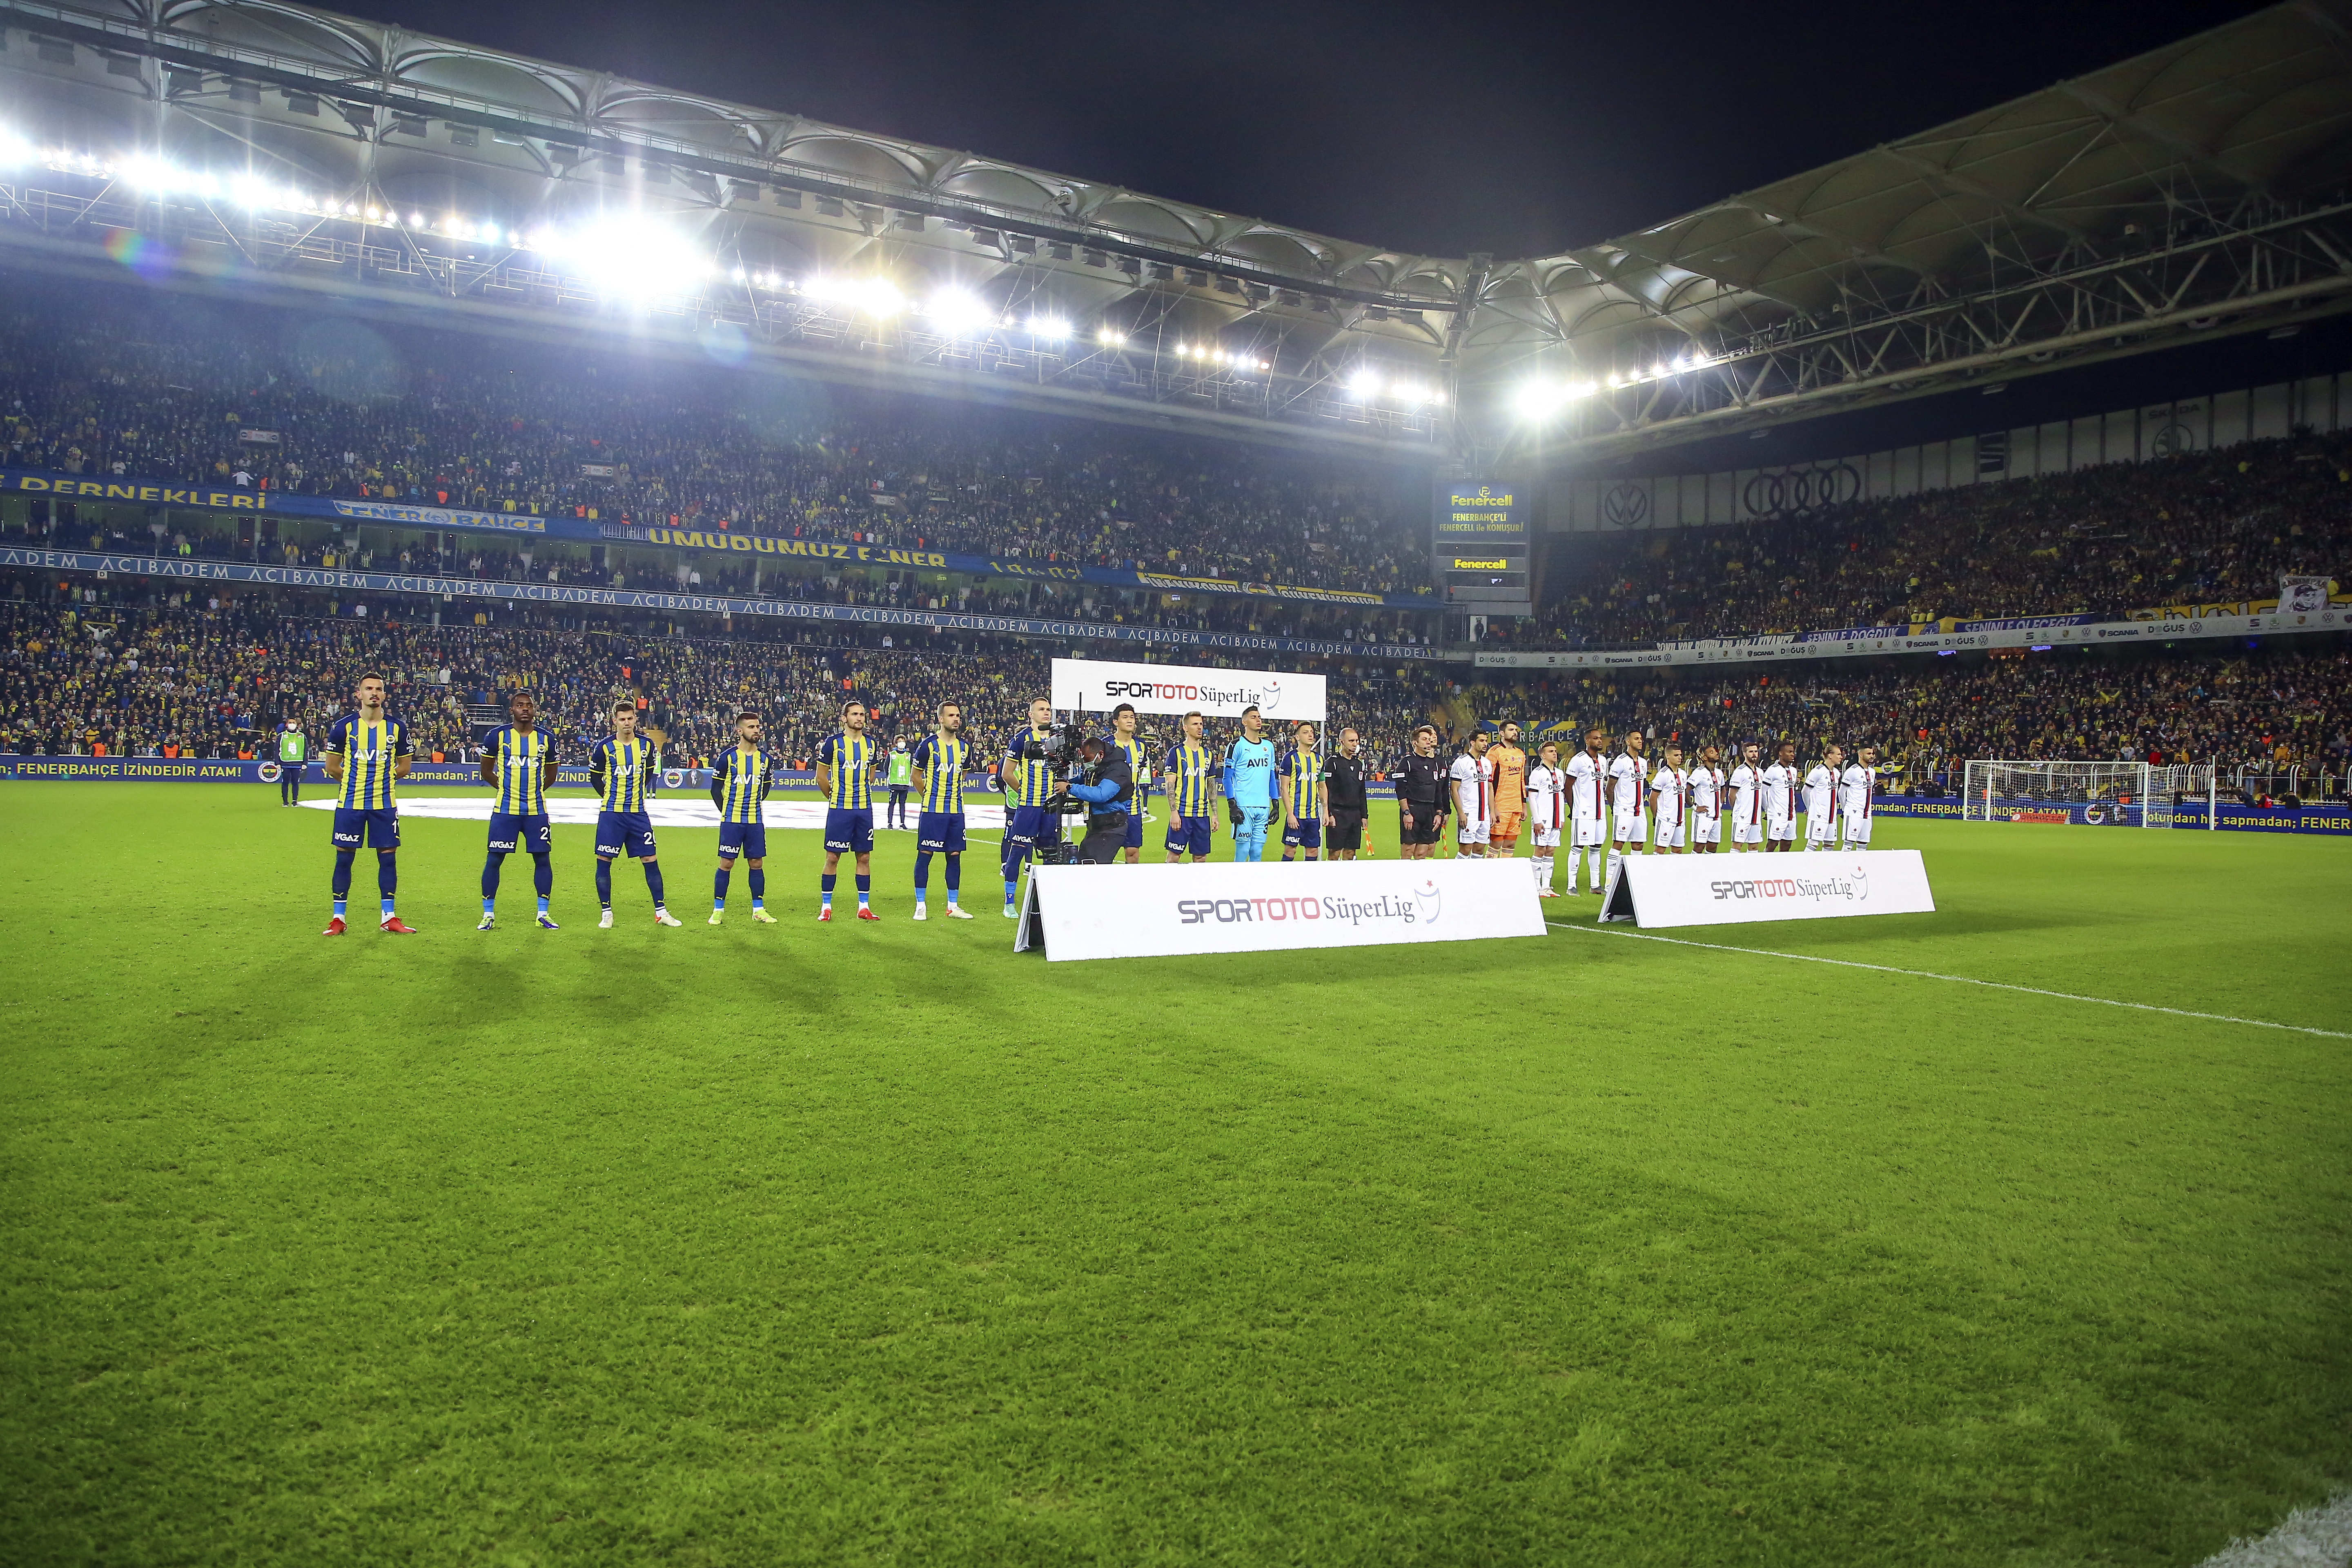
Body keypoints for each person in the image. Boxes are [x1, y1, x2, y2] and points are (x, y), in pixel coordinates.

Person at [321, 672, 413, 934]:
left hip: (384, 805)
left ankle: (390, 918)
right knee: (344, 860)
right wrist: (353, 781)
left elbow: (405, 765)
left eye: (379, 689)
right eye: (369, 689)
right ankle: (339, 919)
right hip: (350, 804)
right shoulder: (344, 727)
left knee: (388, 859)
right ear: (359, 694)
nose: (374, 693)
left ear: (384, 695)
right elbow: (332, 766)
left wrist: (384, 780)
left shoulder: (397, 728)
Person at [589, 698, 681, 929]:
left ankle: (661, 912)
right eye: (622, 719)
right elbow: (595, 778)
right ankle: (607, 913)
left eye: (630, 718)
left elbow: (649, 771)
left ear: (636, 719)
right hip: (612, 814)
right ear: (615, 721)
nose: (627, 723)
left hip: (638, 814)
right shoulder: (604, 748)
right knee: (605, 861)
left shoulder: (647, 746)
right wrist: (611, 797)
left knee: (650, 859)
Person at [479, 689, 560, 930]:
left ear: (535, 710)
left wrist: (534, 791)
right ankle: (488, 914)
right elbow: (486, 771)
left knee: (543, 859)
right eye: (520, 705)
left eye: (529, 705)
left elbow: (551, 775)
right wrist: (505, 788)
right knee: (494, 860)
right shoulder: (496, 736)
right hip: (506, 810)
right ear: (512, 710)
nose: (525, 709)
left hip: (536, 812)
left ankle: (543, 914)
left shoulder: (547, 739)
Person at [815, 699, 881, 922]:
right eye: (854, 714)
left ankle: (864, 907)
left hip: (864, 810)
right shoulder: (832, 744)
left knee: (864, 857)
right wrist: (834, 798)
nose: (860, 718)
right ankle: (826, 906)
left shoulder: (872, 745)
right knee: (833, 857)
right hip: (840, 810)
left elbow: (871, 774)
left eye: (862, 715)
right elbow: (821, 777)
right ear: (844, 718)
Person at [708, 710, 775, 924]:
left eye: (758, 727)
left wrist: (751, 806)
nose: (756, 731)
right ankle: (718, 910)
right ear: (739, 731)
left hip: (755, 821)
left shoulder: (766, 760)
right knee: (727, 863)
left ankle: (759, 909)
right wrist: (727, 812)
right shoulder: (727, 757)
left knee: (757, 863)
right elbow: (715, 790)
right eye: (751, 727)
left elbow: (765, 790)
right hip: (732, 821)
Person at [910, 701, 976, 920]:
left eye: (958, 715)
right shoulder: (928, 745)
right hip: (933, 811)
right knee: (925, 855)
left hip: (957, 812)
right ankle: (921, 905)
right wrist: (929, 797)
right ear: (941, 719)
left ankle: (953, 906)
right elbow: (916, 777)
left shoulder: (965, 748)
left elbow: (963, 775)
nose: (956, 719)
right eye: (951, 716)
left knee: (955, 855)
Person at [1001, 696, 1062, 915]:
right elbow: (1006, 773)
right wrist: (1023, 792)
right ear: (1031, 714)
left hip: (1051, 807)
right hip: (1028, 806)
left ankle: (1047, 902)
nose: (1047, 713)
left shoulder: (1058, 740)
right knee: (1018, 851)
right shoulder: (1021, 739)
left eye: (1048, 709)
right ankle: (1009, 904)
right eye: (1041, 710)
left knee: (1050, 853)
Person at [1066, 727, 1135, 865]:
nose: (1085, 763)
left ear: (1101, 755)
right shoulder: (1098, 767)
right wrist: (1069, 782)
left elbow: (1101, 795)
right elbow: (1083, 778)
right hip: (1096, 828)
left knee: (1097, 869)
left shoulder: (1118, 770)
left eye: (1088, 759)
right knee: (1084, 864)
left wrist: (1070, 788)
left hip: (1111, 829)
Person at [1222, 704, 1277, 862]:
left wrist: (1275, 804)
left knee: (1257, 851)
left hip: (1263, 806)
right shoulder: (1236, 745)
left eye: (1259, 717)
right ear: (1244, 722)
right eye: (1254, 717)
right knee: (1243, 849)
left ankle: (1254, 885)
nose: (1258, 720)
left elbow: (1271, 777)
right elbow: (1227, 778)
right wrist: (1232, 805)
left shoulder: (1269, 746)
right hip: (1244, 806)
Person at [1161, 710, 1217, 864]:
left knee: (1201, 858)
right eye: (1195, 724)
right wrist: (1174, 812)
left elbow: (1211, 786)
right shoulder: (1176, 753)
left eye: (1201, 724)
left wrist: (1215, 814)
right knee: (1174, 856)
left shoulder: (1209, 755)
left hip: (1202, 816)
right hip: (1182, 814)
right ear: (1185, 728)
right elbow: (1170, 785)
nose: (1200, 727)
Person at [1565, 728, 1611, 893]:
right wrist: (1574, 808)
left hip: (1600, 812)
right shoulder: (1578, 760)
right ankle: (1571, 886)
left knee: (1597, 848)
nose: (1600, 741)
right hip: (1583, 812)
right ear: (1587, 741)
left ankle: (1595, 885)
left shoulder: (1604, 761)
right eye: (1596, 738)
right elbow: (1568, 787)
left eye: (1601, 738)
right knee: (1578, 847)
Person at [1395, 723, 1448, 861]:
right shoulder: (1406, 763)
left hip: (1430, 811)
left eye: (1429, 739)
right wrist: (1406, 812)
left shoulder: (1435, 763)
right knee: (1408, 851)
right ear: (1415, 743)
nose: (1429, 741)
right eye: (1425, 739)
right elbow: (1400, 790)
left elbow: (1438, 791)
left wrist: (1439, 812)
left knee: (1422, 854)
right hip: (1413, 810)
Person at [1108, 703, 1153, 864]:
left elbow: (1139, 773)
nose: (1130, 721)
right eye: (1125, 717)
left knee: (1133, 852)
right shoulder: (1106, 745)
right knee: (1106, 852)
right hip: (1109, 809)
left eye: (1132, 717)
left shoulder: (1141, 746)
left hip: (1133, 808)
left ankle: (1130, 886)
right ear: (1116, 722)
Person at [1607, 728, 1650, 886]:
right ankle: (1609, 881)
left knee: (1638, 844)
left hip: (1640, 810)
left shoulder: (1644, 763)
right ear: (1628, 742)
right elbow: (1610, 788)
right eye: (1637, 739)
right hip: (1624, 809)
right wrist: (1615, 808)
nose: (1640, 741)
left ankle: (1635, 880)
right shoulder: (1620, 761)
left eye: (1641, 739)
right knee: (1618, 844)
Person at [1322, 726, 1369, 861]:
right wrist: (1330, 813)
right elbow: (1327, 790)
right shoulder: (1332, 763)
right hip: (1338, 813)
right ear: (1342, 742)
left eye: (1357, 741)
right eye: (1351, 741)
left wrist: (1364, 815)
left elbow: (1362, 791)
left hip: (1355, 815)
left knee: (1351, 853)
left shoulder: (1359, 764)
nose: (1355, 745)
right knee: (1334, 853)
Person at [1525, 739, 1566, 895]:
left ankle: (1546, 886)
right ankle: (1536, 887)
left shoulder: (1560, 774)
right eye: (1551, 751)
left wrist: (1561, 818)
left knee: (1551, 851)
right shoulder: (1538, 773)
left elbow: (1561, 797)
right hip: (1543, 819)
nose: (1555, 753)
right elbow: (1533, 798)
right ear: (1542, 755)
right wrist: (1537, 820)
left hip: (1556, 820)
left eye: (1555, 751)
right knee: (1540, 850)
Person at [1279, 721, 1323, 863]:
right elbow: (1284, 788)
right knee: (1291, 849)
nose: (1311, 735)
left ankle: (1309, 881)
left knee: (1313, 850)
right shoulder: (1290, 758)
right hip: (1297, 815)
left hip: (1313, 815)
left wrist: (1326, 810)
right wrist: (1290, 815)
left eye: (1312, 732)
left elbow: (1322, 786)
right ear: (1297, 737)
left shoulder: (1319, 760)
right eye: (1306, 732)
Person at [1487, 720, 1528, 862]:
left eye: (1516, 730)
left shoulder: (1521, 754)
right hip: (1500, 806)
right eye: (1511, 730)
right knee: (1496, 843)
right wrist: (1493, 808)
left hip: (1515, 806)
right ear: (1502, 733)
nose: (1515, 733)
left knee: (1510, 844)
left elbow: (1522, 780)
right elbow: (1489, 782)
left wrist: (1523, 805)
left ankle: (1505, 876)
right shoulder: (1494, 752)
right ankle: (1490, 873)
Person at [1449, 728, 1493, 858]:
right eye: (1482, 741)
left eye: (1486, 741)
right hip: (1469, 814)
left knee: (1479, 850)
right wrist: (1461, 813)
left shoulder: (1487, 763)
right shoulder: (1461, 762)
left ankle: (1475, 878)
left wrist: (1493, 811)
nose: (1485, 744)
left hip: (1484, 815)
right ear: (1473, 743)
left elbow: (1490, 788)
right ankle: (1458, 877)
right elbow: (1454, 790)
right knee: (1465, 850)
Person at [1762, 739, 1802, 853]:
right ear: (1781, 753)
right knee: (1772, 844)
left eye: (1793, 752)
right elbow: (1763, 791)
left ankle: (1781, 868)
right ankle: (1764, 866)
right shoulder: (1773, 770)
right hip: (1777, 814)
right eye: (1789, 752)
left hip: (1791, 814)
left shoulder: (1794, 771)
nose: (1792, 754)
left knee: (1788, 844)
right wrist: (1768, 810)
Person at [1804, 743, 1844, 851]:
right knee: (1813, 844)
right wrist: (1810, 808)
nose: (1841, 757)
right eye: (1839, 754)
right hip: (1819, 815)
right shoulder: (1818, 771)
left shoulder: (1836, 773)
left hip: (1832, 816)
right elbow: (1805, 791)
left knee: (1830, 844)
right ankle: (1803, 866)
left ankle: (1824, 867)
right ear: (1830, 755)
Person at [1652, 742, 1690, 855]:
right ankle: (1656, 872)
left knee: (1678, 850)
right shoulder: (1663, 774)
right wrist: (1656, 816)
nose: (1680, 758)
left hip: (1680, 820)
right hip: (1665, 819)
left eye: (1681, 755)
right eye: (1676, 755)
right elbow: (1653, 798)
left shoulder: (1683, 774)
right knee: (1660, 850)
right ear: (1668, 756)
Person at [1728, 742, 1766, 853]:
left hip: (1756, 817)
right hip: (1742, 816)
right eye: (1751, 752)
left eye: (1756, 751)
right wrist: (1737, 810)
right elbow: (1732, 795)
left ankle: (1751, 869)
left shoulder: (1760, 772)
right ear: (1745, 754)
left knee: (1754, 846)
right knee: (1737, 845)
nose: (1754, 754)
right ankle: (1732, 868)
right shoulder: (1740, 772)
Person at [1841, 744, 1879, 849]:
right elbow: (1842, 792)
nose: (1872, 756)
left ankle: (1859, 866)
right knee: (1848, 845)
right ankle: (1843, 866)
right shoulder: (1852, 771)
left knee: (1863, 845)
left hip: (1867, 813)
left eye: (1872, 754)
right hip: (1854, 811)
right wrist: (1846, 809)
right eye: (1869, 754)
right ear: (1861, 755)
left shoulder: (1872, 772)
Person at [1689, 744, 1726, 855]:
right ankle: (1691, 869)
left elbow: (1723, 789)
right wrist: (1694, 807)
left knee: (1713, 847)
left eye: (1715, 752)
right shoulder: (1699, 773)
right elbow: (1687, 790)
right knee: (1699, 847)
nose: (1716, 753)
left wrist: (1720, 803)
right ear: (1704, 757)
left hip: (1717, 817)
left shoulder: (1719, 772)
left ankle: (1707, 870)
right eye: (1712, 752)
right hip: (1703, 817)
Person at [884, 737, 915, 830]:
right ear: (896, 744)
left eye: (903, 741)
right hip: (894, 783)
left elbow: (913, 768)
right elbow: (886, 767)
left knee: (903, 804)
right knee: (892, 803)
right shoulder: (891, 755)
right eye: (899, 742)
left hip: (905, 784)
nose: (902, 743)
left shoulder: (909, 756)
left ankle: (902, 823)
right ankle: (890, 823)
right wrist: (890, 777)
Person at [277, 718, 307, 806]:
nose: (292, 724)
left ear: (297, 724)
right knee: (285, 782)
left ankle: (295, 801)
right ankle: (285, 802)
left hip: (297, 762)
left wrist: (305, 763)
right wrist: (277, 762)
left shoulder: (302, 736)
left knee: (295, 783)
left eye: (293, 723)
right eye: (290, 723)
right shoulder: (281, 735)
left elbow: (305, 750)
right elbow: (276, 750)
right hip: (285, 762)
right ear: (287, 724)